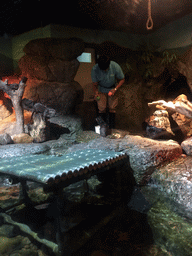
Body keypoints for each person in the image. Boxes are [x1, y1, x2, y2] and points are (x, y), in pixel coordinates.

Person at [91, 55, 125, 129]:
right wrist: (96, 93)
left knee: (112, 108)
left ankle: (112, 128)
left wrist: (115, 89)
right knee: (101, 108)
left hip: (112, 88)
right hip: (101, 89)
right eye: (102, 69)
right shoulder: (95, 69)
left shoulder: (115, 66)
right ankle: (102, 128)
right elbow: (94, 84)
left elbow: (122, 79)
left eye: (106, 68)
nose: (105, 71)